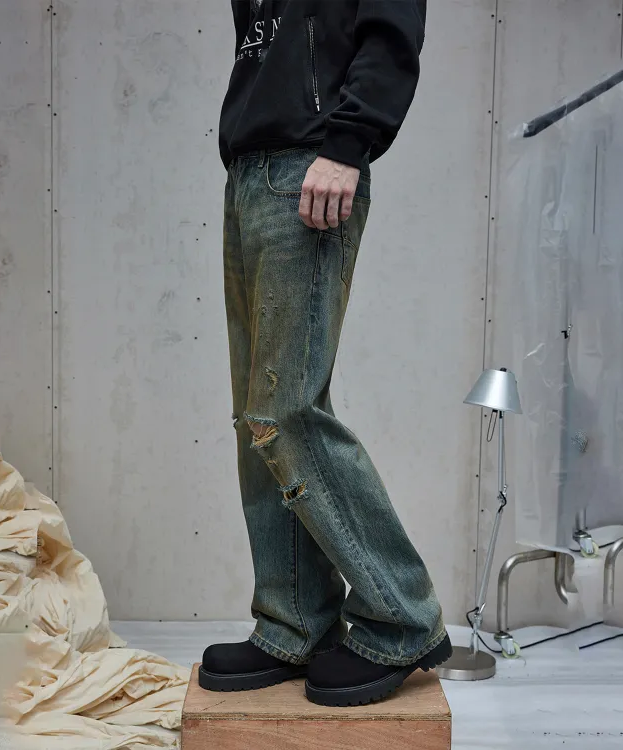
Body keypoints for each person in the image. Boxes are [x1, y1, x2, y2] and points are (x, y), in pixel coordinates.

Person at [200, 0, 450, 707]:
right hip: (251, 170)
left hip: (311, 165)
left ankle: (403, 617)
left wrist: (348, 141)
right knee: (258, 420)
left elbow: (391, 28)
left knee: (288, 412)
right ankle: (295, 621)